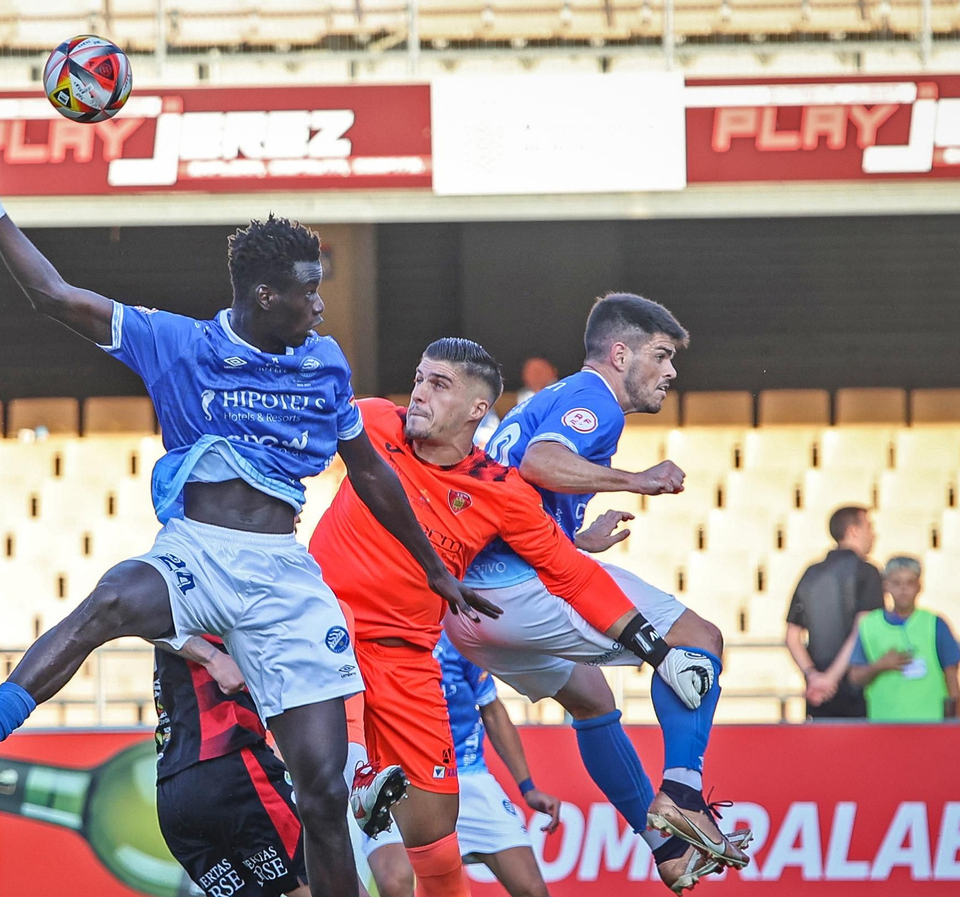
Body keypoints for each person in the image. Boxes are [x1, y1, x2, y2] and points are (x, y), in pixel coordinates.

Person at [0, 122, 486, 897]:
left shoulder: (324, 364)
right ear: (263, 294)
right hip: (199, 552)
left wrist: (435, 572)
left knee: (321, 801)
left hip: (285, 575)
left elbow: (372, 474)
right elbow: (53, 296)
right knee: (112, 597)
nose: (321, 304)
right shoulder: (176, 343)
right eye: (308, 289)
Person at [310, 337, 720, 897]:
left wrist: (657, 652)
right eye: (420, 377)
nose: (420, 394)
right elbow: (296, 425)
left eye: (439, 384)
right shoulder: (376, 422)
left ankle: (664, 842)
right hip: (328, 636)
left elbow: (570, 576)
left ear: (477, 410)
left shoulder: (500, 494)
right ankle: (353, 768)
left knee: (436, 839)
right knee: (328, 797)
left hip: (411, 660)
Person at [456, 294, 749, 892]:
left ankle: (665, 846)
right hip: (519, 590)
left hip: (467, 612)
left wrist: (574, 536)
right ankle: (682, 792)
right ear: (620, 354)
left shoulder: (550, 399)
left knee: (591, 698)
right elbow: (541, 462)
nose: (670, 371)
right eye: (661, 356)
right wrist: (638, 480)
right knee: (699, 637)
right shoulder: (595, 399)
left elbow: (514, 490)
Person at [363, 633, 561, 897]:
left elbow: (492, 709)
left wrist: (528, 788)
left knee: (533, 890)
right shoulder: (367, 634)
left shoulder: (455, 637)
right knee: (395, 883)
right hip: (397, 779)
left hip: (467, 777)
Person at [155, 636, 312, 897]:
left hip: (173, 791)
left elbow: (136, 614)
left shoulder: (162, 611)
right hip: (231, 767)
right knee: (323, 880)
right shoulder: (215, 599)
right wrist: (213, 657)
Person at [785, 506, 883, 719]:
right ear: (853, 531)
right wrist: (831, 678)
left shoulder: (811, 572)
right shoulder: (867, 572)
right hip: (857, 690)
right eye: (869, 526)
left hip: (818, 694)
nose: (874, 534)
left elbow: (792, 635)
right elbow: (862, 629)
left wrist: (813, 676)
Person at [847, 555, 960, 721]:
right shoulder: (869, 625)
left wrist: (956, 724)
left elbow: (952, 677)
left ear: (919, 586)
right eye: (896, 583)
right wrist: (880, 666)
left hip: (930, 725)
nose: (903, 589)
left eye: (910, 583)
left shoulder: (935, 623)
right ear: (886, 587)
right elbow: (855, 677)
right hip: (884, 725)